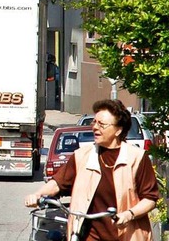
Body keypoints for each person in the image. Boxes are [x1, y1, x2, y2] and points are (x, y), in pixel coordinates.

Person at [24, 99, 159, 241]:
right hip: (88, 235)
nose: (95, 127)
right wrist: (37, 194)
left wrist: (128, 214)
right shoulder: (82, 155)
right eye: (94, 123)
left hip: (127, 234)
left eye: (102, 124)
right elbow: (58, 183)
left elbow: (150, 198)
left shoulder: (136, 158)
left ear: (118, 130)